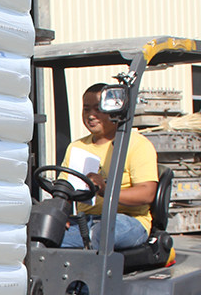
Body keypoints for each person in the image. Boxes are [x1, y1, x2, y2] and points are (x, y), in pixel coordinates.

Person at [60, 83, 158, 249]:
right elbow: (65, 189)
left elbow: (147, 193)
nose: (91, 115)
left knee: (103, 232)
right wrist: (59, 216)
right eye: (86, 109)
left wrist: (106, 190)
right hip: (87, 220)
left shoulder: (136, 144)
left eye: (98, 109)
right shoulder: (76, 147)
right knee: (43, 233)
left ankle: (90, 262)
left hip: (128, 221)